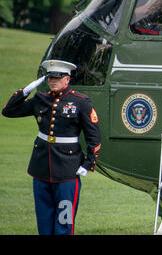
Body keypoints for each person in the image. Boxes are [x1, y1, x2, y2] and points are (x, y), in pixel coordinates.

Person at [2, 60, 101, 235]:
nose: (53, 81)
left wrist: (88, 163)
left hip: (67, 170)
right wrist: (27, 90)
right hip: (40, 168)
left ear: (67, 79)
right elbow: (8, 111)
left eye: (58, 77)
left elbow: (93, 136)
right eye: (50, 77)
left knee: (64, 223)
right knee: (44, 223)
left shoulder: (80, 102)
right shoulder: (40, 99)